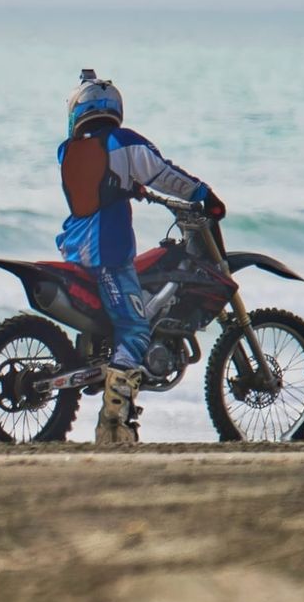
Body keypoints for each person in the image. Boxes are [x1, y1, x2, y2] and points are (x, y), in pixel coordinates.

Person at [56, 70, 225, 445]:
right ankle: (113, 425)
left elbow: (98, 183)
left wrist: (130, 187)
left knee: (118, 320)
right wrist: (204, 194)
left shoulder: (68, 150)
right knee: (134, 330)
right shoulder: (123, 142)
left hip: (75, 247)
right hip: (107, 251)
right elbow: (164, 174)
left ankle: (107, 374)